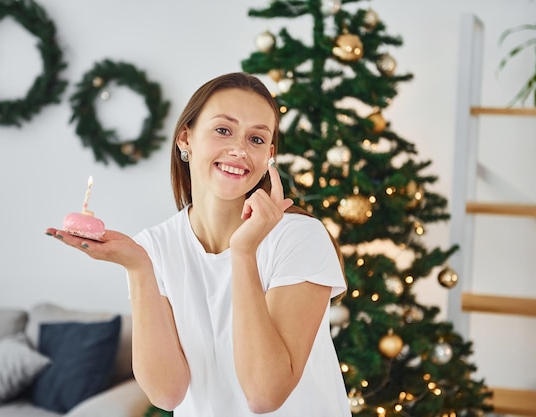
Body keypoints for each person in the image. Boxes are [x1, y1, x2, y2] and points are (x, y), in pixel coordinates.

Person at [46, 72, 351, 417]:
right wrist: (139, 268)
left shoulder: (299, 238)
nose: (239, 149)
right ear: (185, 138)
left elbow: (265, 394)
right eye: (223, 130)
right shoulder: (154, 247)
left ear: (270, 155)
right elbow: (167, 393)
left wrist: (244, 252)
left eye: (256, 138)